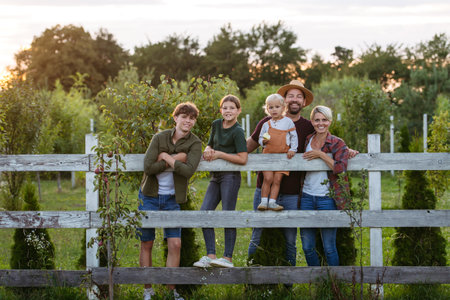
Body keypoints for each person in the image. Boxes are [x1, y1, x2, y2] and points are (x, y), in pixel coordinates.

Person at [247, 80, 358, 267]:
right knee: (257, 233)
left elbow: (326, 138)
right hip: (264, 188)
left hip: (292, 193)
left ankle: (290, 281)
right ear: (284, 100)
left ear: (304, 101)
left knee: (291, 240)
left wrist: (347, 150)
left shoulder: (308, 127)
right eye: (290, 95)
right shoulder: (266, 123)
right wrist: (221, 151)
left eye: (299, 96)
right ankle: (250, 274)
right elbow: (248, 146)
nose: (294, 99)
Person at [138, 102, 202, 300]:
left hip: (172, 199)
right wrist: (177, 158)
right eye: (184, 116)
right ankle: (147, 290)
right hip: (149, 197)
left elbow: (189, 170)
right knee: (146, 242)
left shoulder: (195, 143)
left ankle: (169, 291)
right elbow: (148, 167)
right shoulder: (159, 137)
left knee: (175, 244)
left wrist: (166, 157)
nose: (188, 121)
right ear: (175, 118)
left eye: (192, 118)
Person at [193, 95, 248, 268]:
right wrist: (209, 150)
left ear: (239, 111)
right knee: (204, 213)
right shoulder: (216, 124)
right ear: (221, 110)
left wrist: (219, 155)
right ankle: (210, 255)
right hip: (215, 176)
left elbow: (243, 158)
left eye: (232, 108)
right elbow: (210, 144)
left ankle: (227, 258)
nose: (228, 111)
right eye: (225, 107)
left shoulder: (238, 131)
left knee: (227, 215)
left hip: (230, 177)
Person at [300, 105, 349, 266]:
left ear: (330, 121)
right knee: (307, 247)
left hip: (327, 199)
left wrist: (321, 154)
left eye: (324, 120)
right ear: (312, 121)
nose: (320, 123)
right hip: (306, 197)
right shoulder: (307, 139)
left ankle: (334, 285)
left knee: (329, 247)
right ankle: (317, 282)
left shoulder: (337, 143)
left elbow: (340, 169)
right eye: (317, 120)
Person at [257, 93, 298, 211]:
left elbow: (294, 137)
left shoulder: (288, 122)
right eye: (271, 107)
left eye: (277, 107)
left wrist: (292, 149)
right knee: (268, 178)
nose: (274, 110)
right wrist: (263, 142)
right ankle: (264, 201)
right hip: (268, 155)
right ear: (267, 109)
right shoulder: (266, 124)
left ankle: (273, 202)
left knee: (277, 180)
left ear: (283, 108)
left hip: (283, 156)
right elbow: (260, 138)